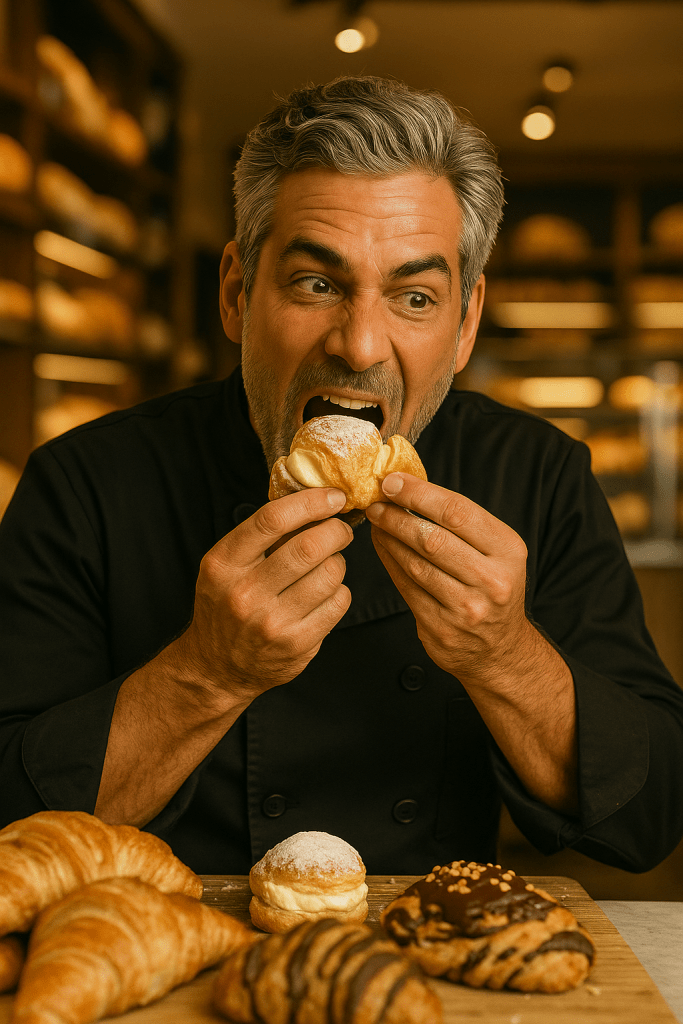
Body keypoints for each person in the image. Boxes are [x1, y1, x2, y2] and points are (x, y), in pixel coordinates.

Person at [1, 76, 682, 876]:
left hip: (429, 955)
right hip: (159, 959)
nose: (358, 345)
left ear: (465, 326)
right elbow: (9, 826)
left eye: (415, 296)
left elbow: (651, 815)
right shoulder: (86, 482)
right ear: (235, 293)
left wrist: (503, 656)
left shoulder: (535, 474)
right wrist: (208, 671)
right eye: (316, 284)